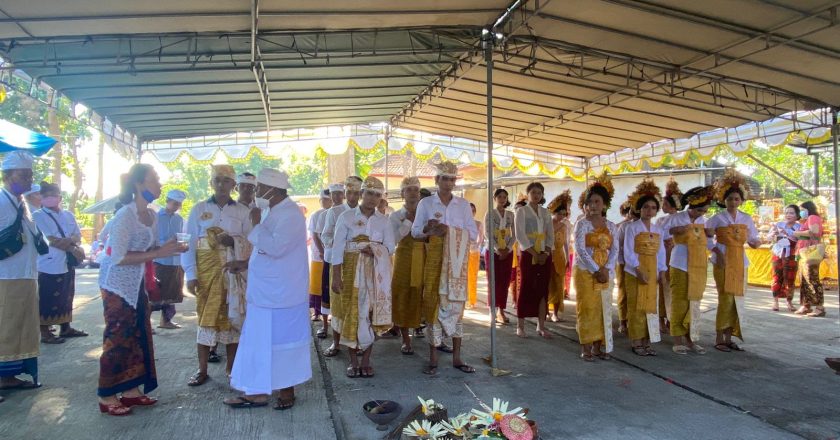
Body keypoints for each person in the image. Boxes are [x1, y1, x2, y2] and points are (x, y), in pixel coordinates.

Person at [97, 163, 187, 415]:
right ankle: (106, 395)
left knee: (138, 335)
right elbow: (117, 256)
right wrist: (159, 252)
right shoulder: (125, 215)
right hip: (116, 284)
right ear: (138, 184)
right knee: (118, 336)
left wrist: (169, 246)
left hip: (136, 282)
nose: (159, 185)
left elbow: (150, 248)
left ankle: (130, 390)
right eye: (154, 180)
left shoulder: (152, 214)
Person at [224, 168, 311, 410]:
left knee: (283, 343)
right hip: (266, 293)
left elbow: (276, 247)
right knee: (258, 342)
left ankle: (286, 392)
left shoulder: (291, 215)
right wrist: (244, 264)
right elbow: (265, 251)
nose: (256, 192)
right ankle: (257, 392)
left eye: (260, 188)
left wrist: (255, 224)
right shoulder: (272, 211)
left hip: (282, 294)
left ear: (273, 190)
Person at [183, 165, 253, 386]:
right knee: (205, 318)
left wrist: (233, 242)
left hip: (233, 273)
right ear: (211, 183)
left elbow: (252, 240)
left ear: (234, 185)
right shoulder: (198, 208)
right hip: (206, 275)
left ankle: (232, 370)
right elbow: (189, 243)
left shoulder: (242, 212)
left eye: (226, 181)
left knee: (233, 320)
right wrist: (190, 274)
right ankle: (202, 370)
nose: (221, 185)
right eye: (217, 180)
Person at [413, 161, 478, 375]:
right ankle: (433, 359)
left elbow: (473, 233)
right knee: (433, 303)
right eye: (445, 178)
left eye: (452, 179)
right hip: (434, 258)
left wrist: (448, 231)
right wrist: (429, 229)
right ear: (436, 180)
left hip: (457, 263)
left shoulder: (463, 204)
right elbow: (415, 232)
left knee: (456, 305)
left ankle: (457, 358)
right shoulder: (426, 204)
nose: (449, 183)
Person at [331, 176, 395, 378]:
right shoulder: (346, 217)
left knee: (369, 312)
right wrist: (336, 276)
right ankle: (352, 361)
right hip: (350, 270)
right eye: (369, 193)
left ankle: (366, 360)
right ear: (361, 194)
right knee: (352, 312)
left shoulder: (383, 221)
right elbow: (337, 248)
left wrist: (374, 249)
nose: (373, 198)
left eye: (377, 195)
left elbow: (390, 247)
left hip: (377, 273)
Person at [0, 152, 48, 404]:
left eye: (30, 175)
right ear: (8, 176)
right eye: (23, 175)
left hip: (26, 275)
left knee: (19, 328)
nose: (29, 180)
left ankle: (7, 377)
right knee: (3, 327)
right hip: (5, 277)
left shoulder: (21, 203)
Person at [706, 169, 760, 353]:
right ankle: (719, 337)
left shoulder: (746, 218)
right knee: (725, 298)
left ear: (742, 200)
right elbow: (705, 237)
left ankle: (730, 337)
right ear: (724, 200)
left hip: (740, 262)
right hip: (722, 261)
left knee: (737, 299)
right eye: (730, 199)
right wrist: (715, 251)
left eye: (737, 199)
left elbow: (754, 238)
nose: (733, 202)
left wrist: (755, 242)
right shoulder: (716, 218)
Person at [32, 181, 87, 344]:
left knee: (67, 294)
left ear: (60, 197)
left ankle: (65, 327)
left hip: (67, 262)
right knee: (47, 296)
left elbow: (77, 235)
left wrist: (71, 243)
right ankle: (45, 332)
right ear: (41, 198)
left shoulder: (68, 215)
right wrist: (72, 248)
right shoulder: (38, 215)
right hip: (49, 263)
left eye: (53, 195)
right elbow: (51, 239)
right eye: (46, 196)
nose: (50, 199)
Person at [573, 173, 618, 362]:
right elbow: (580, 249)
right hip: (585, 272)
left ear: (605, 204)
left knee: (603, 308)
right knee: (587, 308)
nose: (593, 205)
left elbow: (615, 249)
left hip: (606, 273)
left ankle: (600, 346)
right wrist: (596, 270)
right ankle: (586, 346)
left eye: (597, 201)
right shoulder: (581, 224)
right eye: (590, 201)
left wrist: (606, 269)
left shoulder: (612, 226)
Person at [622, 179, 667, 357]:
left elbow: (661, 252)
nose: (649, 210)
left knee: (651, 306)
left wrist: (662, 271)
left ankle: (648, 340)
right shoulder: (631, 228)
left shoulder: (658, 230)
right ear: (639, 209)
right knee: (636, 306)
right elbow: (628, 251)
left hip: (652, 271)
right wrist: (637, 269)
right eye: (646, 207)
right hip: (635, 272)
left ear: (657, 210)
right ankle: (636, 341)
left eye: (653, 207)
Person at [665, 186, 712, 355]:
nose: (701, 214)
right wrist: (673, 231)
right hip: (679, 264)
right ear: (691, 206)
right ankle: (677, 340)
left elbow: (709, 242)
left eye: (704, 211)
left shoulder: (703, 221)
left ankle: (692, 339)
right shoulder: (676, 218)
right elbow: (661, 234)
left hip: (698, 265)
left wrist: (711, 236)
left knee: (695, 302)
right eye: (699, 210)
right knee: (679, 301)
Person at [320, 176, 363, 358]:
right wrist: (343, 244)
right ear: (345, 194)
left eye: (355, 193)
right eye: (349, 192)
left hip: (360, 265)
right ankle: (336, 342)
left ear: (361, 194)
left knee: (358, 303)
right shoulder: (335, 212)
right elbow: (325, 236)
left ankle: (358, 342)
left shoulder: (366, 213)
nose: (352, 197)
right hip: (338, 264)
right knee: (338, 303)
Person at [514, 182, 554, 339]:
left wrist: (546, 251)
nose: (536, 195)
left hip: (544, 253)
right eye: (534, 192)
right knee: (526, 286)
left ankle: (541, 325)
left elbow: (550, 234)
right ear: (528, 194)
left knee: (543, 288)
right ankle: (520, 325)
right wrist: (534, 253)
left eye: (539, 193)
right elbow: (520, 235)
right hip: (529, 254)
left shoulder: (546, 213)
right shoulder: (521, 211)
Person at [390, 176, 425, 355]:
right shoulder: (395, 215)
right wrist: (408, 221)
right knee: (402, 293)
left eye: (416, 190)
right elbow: (393, 239)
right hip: (403, 256)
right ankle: (405, 338)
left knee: (421, 293)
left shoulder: (425, 212)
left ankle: (423, 329)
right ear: (402, 193)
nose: (413, 193)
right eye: (409, 190)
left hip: (424, 255)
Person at [152, 189, 187, 329]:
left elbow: (180, 237)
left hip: (175, 260)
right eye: (174, 203)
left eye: (178, 204)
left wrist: (182, 246)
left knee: (172, 292)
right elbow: (153, 240)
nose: (176, 206)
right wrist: (168, 243)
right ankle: (146, 323)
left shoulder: (179, 219)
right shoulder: (155, 217)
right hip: (160, 260)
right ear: (167, 201)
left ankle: (166, 320)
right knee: (155, 292)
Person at [484, 188, 515, 324]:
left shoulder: (510, 214)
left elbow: (515, 234)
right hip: (493, 251)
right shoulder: (489, 214)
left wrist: (507, 248)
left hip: (507, 251)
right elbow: (487, 233)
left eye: (505, 197)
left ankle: (501, 310)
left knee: (504, 281)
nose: (502, 199)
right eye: (500, 197)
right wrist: (498, 249)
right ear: (495, 198)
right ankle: (492, 310)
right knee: (493, 281)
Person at [656, 179, 682, 333]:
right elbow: (657, 236)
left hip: (676, 255)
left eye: (665, 204)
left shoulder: (682, 218)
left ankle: (673, 319)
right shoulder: (660, 220)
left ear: (673, 205)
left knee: (675, 288)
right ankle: (661, 318)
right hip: (663, 253)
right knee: (662, 285)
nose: (662, 207)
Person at [794, 200, 825, 317]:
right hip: (803, 253)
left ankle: (819, 307)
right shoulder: (807, 219)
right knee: (804, 280)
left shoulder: (813, 217)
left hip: (811, 252)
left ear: (808, 209)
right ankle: (806, 304)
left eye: (802, 210)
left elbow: (815, 232)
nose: (801, 212)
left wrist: (797, 233)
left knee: (812, 279)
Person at [768, 204, 800, 312]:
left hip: (793, 254)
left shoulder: (799, 226)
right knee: (777, 276)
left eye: (791, 213)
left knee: (790, 277)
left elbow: (801, 239)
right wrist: (774, 234)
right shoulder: (778, 224)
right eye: (786, 213)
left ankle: (789, 302)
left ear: (797, 215)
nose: (788, 215)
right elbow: (769, 237)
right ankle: (775, 302)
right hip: (778, 253)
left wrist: (788, 233)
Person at [308, 189, 332, 335]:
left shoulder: (339, 212)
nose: (325, 202)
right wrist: (321, 251)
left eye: (327, 199)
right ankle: (317, 312)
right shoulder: (316, 215)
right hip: (319, 255)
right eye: (322, 200)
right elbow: (314, 234)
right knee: (318, 285)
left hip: (333, 256)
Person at [547, 190, 572, 322]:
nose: (561, 216)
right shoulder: (547, 223)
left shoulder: (565, 225)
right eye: (559, 213)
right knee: (546, 284)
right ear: (554, 212)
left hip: (560, 256)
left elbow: (566, 243)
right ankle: (545, 310)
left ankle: (555, 313)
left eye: (564, 214)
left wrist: (567, 258)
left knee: (558, 285)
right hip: (547, 256)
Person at [614, 201, 636, 334]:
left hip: (641, 264)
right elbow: (618, 245)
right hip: (623, 263)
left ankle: (635, 321)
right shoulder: (624, 226)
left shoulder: (648, 226)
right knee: (623, 292)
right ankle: (623, 321)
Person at [466, 203, 485, 309]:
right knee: (462, 277)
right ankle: (463, 299)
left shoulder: (478, 223)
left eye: (473, 211)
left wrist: (475, 246)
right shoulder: (462, 223)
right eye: (469, 210)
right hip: (463, 252)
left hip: (474, 253)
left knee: (472, 277)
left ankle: (472, 300)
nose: (471, 213)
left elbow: (481, 238)